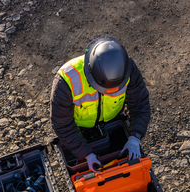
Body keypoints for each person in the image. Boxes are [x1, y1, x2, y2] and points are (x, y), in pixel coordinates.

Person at [50, 36, 151, 172]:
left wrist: (135, 137)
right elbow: (62, 124)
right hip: (78, 130)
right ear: (90, 74)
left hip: (114, 122)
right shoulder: (67, 79)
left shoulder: (127, 68)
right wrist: (85, 154)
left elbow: (140, 105)